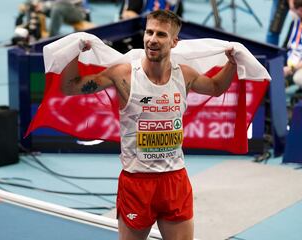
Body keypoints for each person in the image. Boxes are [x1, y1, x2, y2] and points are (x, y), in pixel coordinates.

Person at [60, 10, 237, 240]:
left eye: (161, 34)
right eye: (149, 32)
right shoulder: (124, 74)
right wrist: (75, 52)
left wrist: (233, 63)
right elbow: (71, 87)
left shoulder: (183, 75)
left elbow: (214, 87)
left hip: (175, 180)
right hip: (137, 182)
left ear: (174, 42)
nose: (152, 39)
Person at [283, 0, 302, 92]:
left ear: (301, 10)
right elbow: (285, 48)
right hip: (292, 64)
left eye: (294, 10)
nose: (292, 12)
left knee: (299, 78)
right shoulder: (294, 24)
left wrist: (292, 68)